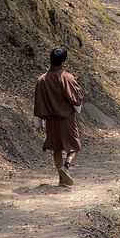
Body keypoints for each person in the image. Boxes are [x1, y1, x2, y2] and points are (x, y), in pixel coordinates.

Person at [34, 48, 83, 186]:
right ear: (63, 60)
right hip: (66, 119)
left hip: (50, 121)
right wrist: (77, 107)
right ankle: (65, 167)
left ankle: (61, 179)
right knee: (74, 147)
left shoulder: (41, 80)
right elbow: (76, 99)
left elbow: (38, 102)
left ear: (50, 59)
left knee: (56, 148)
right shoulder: (67, 78)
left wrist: (39, 122)